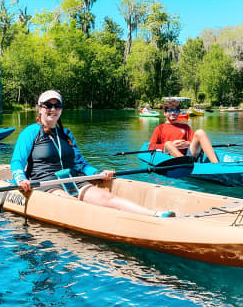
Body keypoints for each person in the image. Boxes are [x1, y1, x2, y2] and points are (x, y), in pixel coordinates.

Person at [11, 90, 176, 218]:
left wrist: (97, 173)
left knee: (107, 198)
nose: (53, 109)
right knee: (74, 204)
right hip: (45, 184)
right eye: (48, 105)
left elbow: (80, 163)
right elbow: (17, 161)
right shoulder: (30, 132)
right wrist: (20, 178)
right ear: (40, 108)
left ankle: (155, 216)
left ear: (61, 109)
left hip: (72, 180)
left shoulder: (66, 134)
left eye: (57, 106)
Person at [149, 98, 218, 163]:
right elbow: (151, 147)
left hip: (188, 155)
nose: (173, 113)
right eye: (170, 110)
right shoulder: (160, 128)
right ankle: (185, 163)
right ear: (165, 112)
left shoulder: (185, 127)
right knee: (168, 144)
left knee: (200, 132)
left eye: (175, 111)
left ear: (178, 112)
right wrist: (172, 145)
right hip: (170, 157)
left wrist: (188, 144)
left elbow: (193, 143)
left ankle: (216, 164)